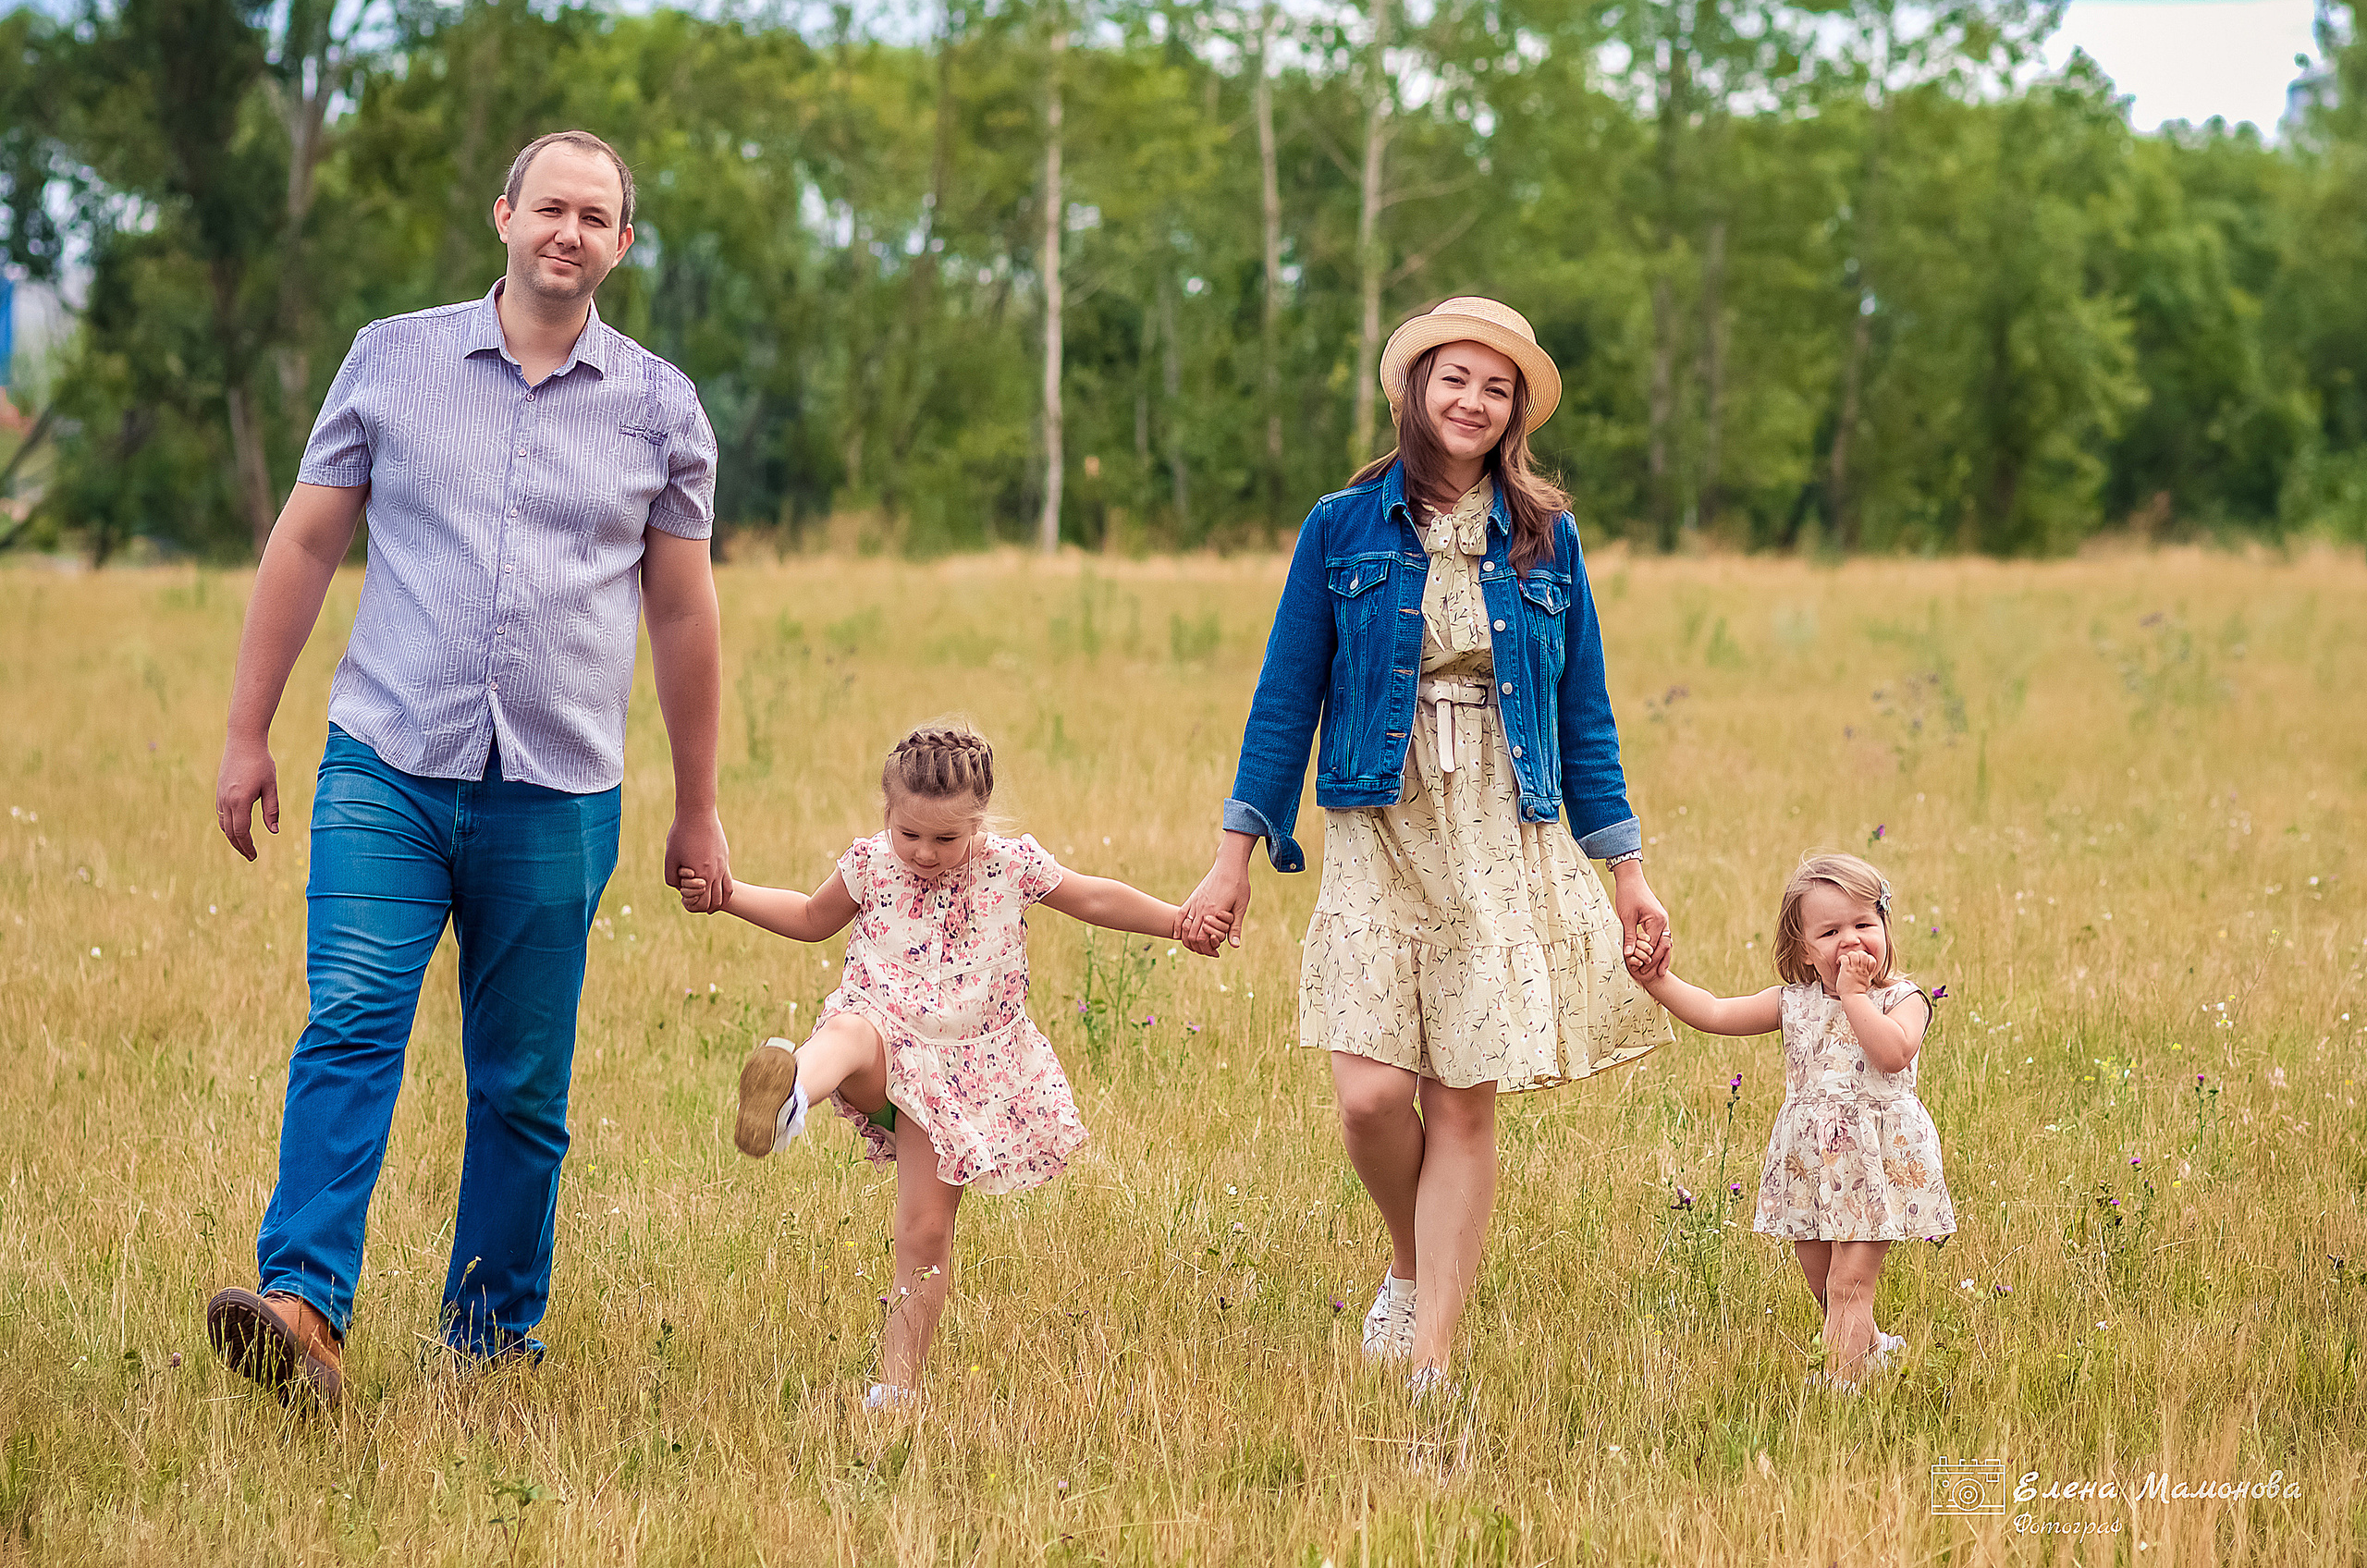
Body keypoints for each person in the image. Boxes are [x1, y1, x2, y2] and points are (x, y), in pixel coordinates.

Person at [205, 129, 728, 1404]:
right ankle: (304, 1309)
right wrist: (245, 730)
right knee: (353, 1024)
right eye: (550, 206)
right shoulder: (391, 359)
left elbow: (683, 617)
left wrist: (699, 806)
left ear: (622, 243)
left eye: (596, 216)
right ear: (504, 215)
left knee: (522, 1085)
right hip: (386, 764)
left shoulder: (661, 407)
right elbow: (305, 545)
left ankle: (488, 1348)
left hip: (558, 789)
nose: (570, 231)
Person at [1181, 296, 1674, 1391]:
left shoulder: (1546, 532)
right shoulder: (1341, 524)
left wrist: (1626, 871)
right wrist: (1233, 857)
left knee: (1460, 1095)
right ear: (1415, 387)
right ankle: (1408, 1268)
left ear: (1514, 412)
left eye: (1496, 388)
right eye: (1455, 378)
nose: (1473, 401)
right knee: (1368, 1095)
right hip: (1378, 815)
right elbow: (1282, 698)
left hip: (1503, 824)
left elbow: (1584, 708)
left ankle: (1433, 1358)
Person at [679, 724, 1222, 1410]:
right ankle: (791, 1088)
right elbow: (813, 915)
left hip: (959, 1076)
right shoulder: (870, 863)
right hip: (882, 1038)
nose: (926, 853)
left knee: (925, 1233)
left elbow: (1093, 897)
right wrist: (727, 895)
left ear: (981, 822)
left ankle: (897, 1387)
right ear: (887, 814)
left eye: (946, 839)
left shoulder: (1011, 866)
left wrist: (1178, 921)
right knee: (848, 1029)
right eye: (910, 835)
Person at [1627, 852, 1956, 1386]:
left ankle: (1840, 1389)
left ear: (1885, 928)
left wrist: (1853, 995)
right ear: (1804, 946)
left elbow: (1893, 1054)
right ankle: (1872, 1347)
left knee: (1851, 1284)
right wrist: (1656, 982)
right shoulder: (1793, 1004)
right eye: (1830, 931)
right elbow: (1714, 1012)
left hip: (1875, 1163)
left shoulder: (1903, 999)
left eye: (1863, 924)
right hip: (1811, 1164)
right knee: (1822, 1276)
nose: (1850, 941)